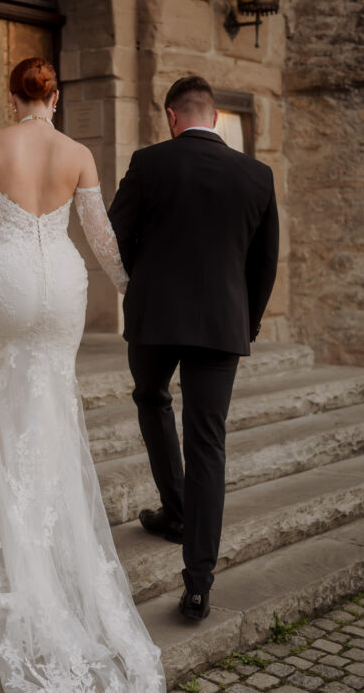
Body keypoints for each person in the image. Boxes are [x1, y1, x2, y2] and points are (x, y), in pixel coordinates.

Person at [0, 58, 212, 693]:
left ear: (11, 94)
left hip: (3, 279)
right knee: (50, 390)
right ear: (53, 95)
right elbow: (99, 235)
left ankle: (10, 490)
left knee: (8, 381)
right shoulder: (81, 154)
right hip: (59, 280)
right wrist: (130, 291)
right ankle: (49, 493)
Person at [108, 75, 280, 622]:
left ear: (172, 116)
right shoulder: (256, 175)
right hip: (221, 325)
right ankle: (198, 581)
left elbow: (117, 234)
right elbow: (264, 261)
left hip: (155, 319)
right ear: (215, 118)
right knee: (208, 442)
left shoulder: (148, 162)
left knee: (152, 399)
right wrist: (244, 323)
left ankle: (178, 509)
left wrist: (148, 283)